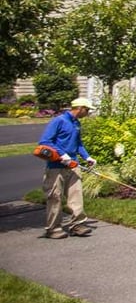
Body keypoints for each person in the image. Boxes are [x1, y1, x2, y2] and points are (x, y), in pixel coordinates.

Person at [37, 97, 97, 239]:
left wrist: (87, 157)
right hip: (55, 166)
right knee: (55, 197)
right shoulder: (59, 121)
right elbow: (45, 141)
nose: (88, 113)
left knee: (76, 196)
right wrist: (62, 154)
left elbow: (78, 144)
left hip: (73, 165)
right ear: (80, 108)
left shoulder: (76, 123)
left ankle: (77, 225)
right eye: (87, 110)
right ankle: (53, 229)